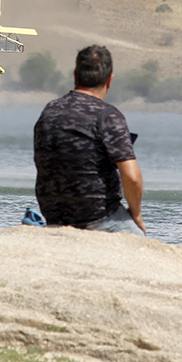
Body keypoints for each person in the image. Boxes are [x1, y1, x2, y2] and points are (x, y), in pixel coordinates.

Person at [33, 45, 145, 237]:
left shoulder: (49, 111)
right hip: (99, 218)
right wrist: (136, 214)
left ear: (76, 76)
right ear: (109, 80)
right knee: (142, 244)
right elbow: (132, 177)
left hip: (53, 216)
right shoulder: (108, 116)